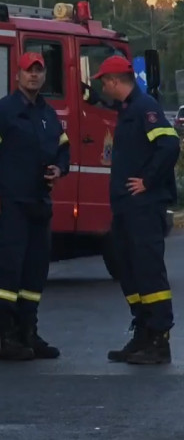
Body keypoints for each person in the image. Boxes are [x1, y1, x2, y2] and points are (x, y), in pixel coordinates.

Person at [0, 51, 69, 361]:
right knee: (8, 274)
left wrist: (59, 169)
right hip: (11, 205)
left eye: (39, 71)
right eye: (28, 71)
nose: (34, 76)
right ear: (18, 75)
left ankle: (28, 333)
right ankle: (3, 336)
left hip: (39, 205)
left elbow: (64, 149)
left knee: (34, 275)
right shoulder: (2, 111)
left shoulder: (47, 115)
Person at [84, 55, 179, 365]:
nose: (103, 87)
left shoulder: (144, 108)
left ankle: (158, 340)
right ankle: (142, 332)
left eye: (104, 82)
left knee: (148, 271)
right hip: (127, 208)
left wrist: (148, 181)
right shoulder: (127, 111)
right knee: (129, 270)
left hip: (144, 207)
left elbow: (168, 145)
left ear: (114, 81)